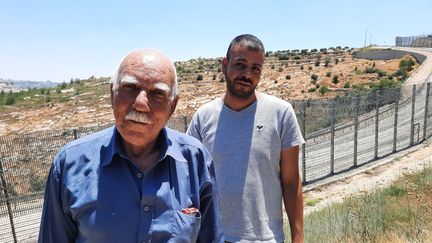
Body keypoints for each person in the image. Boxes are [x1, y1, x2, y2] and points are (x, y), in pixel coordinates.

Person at [38, 49, 223, 243]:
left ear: (173, 106)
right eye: (130, 88)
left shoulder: (196, 160)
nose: (141, 103)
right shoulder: (69, 164)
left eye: (157, 93)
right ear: (112, 94)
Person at [187, 34, 305, 243]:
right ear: (225, 65)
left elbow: (291, 181)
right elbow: (190, 182)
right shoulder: (203, 117)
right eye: (240, 65)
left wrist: (298, 236)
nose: (247, 74)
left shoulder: (281, 113)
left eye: (255, 68)